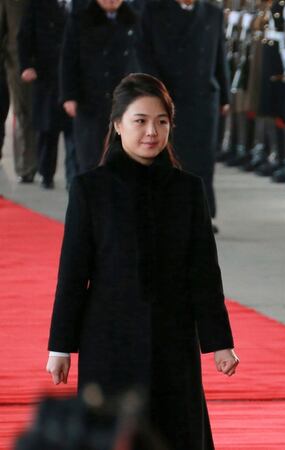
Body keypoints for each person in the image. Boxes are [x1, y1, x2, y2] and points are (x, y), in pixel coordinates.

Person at [45, 73, 239, 449]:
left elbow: (203, 274)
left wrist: (219, 342)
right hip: (108, 340)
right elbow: (72, 274)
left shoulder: (187, 189)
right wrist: (60, 346)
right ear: (118, 125)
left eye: (161, 122)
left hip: (173, 338)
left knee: (175, 433)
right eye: (140, 121)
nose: (152, 131)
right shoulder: (90, 189)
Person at [138, 0, 230, 224]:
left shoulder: (212, 14)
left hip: (203, 98)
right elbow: (144, 55)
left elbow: (220, 57)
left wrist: (225, 96)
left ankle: (202, 215)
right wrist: (154, 94)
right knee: (169, 157)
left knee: (203, 160)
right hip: (169, 97)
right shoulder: (154, 10)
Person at [59, 0, 140, 174]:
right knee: (91, 158)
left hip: (126, 102)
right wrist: (69, 96)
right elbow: (68, 60)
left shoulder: (134, 19)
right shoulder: (80, 19)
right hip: (90, 100)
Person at [18, 0, 77, 190]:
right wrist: (26, 65)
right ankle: (46, 173)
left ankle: (73, 176)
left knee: (74, 130)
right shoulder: (38, 4)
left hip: (76, 73)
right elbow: (24, 35)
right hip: (46, 74)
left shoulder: (85, 4)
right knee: (48, 129)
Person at [0, 0, 38, 184]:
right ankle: (26, 166)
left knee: (27, 112)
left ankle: (29, 165)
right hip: (14, 61)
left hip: (30, 60)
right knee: (21, 111)